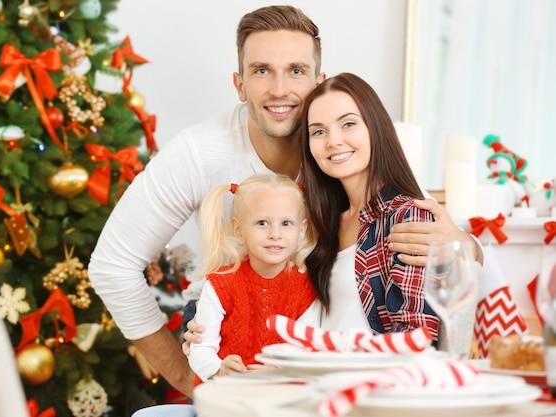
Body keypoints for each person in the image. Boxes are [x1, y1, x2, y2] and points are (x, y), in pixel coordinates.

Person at [88, 4, 482, 404]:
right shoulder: (198, 152)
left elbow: (422, 224)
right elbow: (112, 266)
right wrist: (188, 378)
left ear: (318, 82)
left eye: (296, 70)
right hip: (231, 341)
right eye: (261, 71)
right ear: (240, 85)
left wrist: (464, 246)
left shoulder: (343, 155)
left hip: (313, 359)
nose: (279, 89)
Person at [298, 72, 439, 337]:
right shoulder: (315, 221)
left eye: (348, 124)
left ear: (374, 127)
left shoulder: (408, 217)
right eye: (318, 131)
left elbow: (415, 336)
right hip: (312, 372)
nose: (333, 141)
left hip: (374, 375)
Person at [189, 173, 320, 382]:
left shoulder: (306, 288)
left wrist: (281, 372)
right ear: (239, 230)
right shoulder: (221, 284)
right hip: (226, 397)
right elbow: (200, 346)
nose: (275, 234)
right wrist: (219, 369)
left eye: (286, 223)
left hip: (281, 399)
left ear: (301, 230)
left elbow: (310, 351)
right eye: (262, 223)